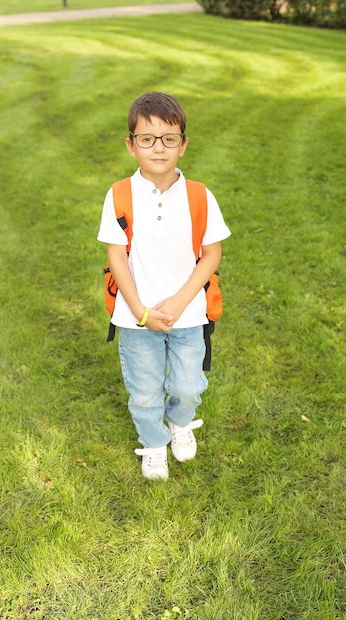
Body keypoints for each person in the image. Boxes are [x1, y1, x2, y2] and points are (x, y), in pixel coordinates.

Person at [97, 91, 231, 480]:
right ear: (131, 145)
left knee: (188, 385)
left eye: (169, 138)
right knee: (144, 389)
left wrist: (178, 300)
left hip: (187, 314)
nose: (158, 148)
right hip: (136, 316)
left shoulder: (199, 196)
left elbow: (211, 254)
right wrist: (141, 311)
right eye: (147, 139)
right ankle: (154, 443)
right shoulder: (119, 194)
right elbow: (116, 256)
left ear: (183, 145)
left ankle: (180, 421)